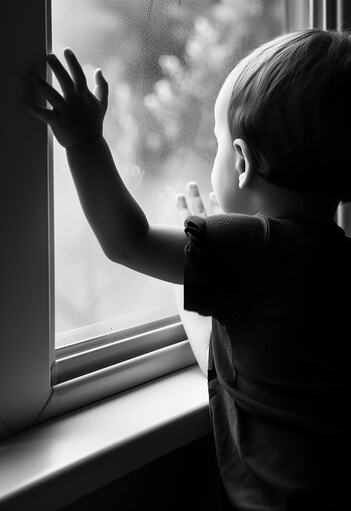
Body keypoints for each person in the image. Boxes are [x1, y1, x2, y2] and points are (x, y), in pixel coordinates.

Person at [25, 28, 351, 510]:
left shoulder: (249, 248)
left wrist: (83, 141)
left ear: (240, 163)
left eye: (218, 142)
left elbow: (127, 242)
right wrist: (202, 267)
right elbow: (229, 365)